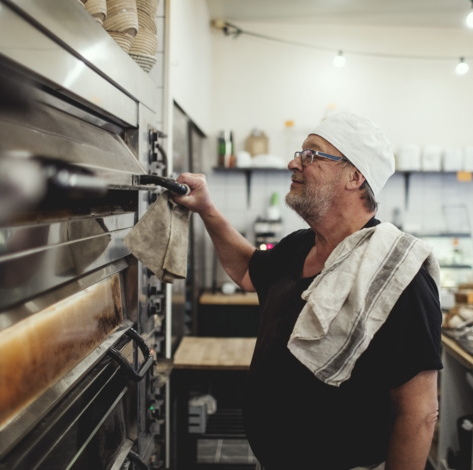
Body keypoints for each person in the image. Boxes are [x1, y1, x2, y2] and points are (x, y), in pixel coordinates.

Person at [174, 111, 443, 470]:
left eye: (311, 155)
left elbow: (420, 413)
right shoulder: (299, 246)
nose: (293, 163)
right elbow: (246, 270)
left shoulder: (395, 277)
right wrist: (206, 209)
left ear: (354, 176)